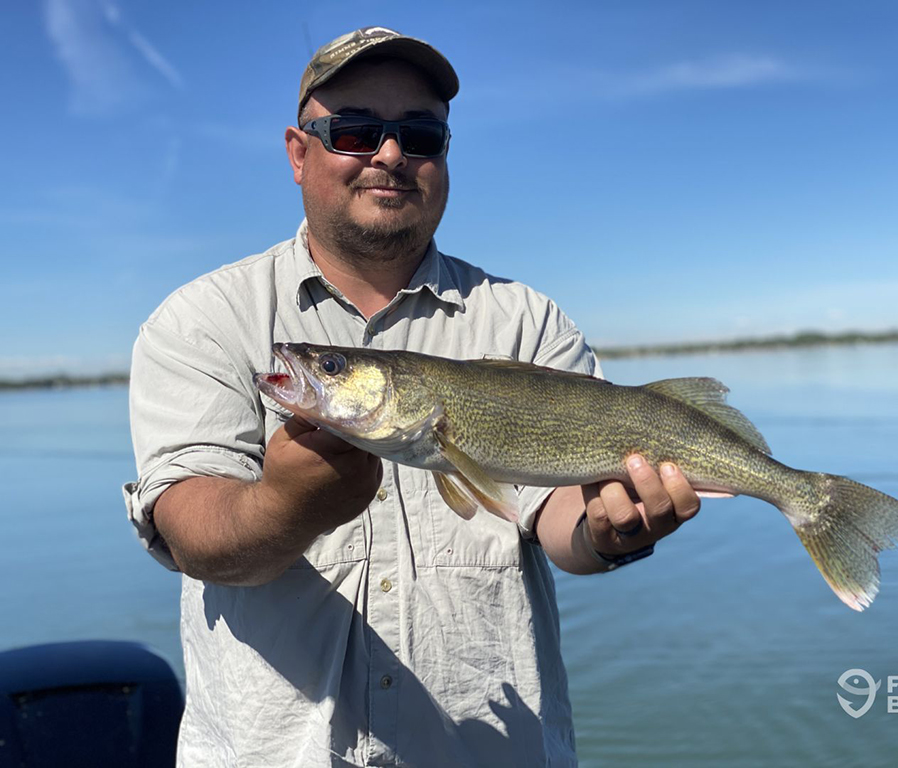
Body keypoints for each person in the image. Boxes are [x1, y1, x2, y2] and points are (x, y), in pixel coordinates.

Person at [123, 26, 700, 767]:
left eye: (419, 134)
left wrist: (608, 531)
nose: (390, 155)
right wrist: (284, 504)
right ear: (299, 153)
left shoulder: (527, 319)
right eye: (355, 132)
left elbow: (556, 515)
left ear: (444, 157)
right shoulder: (206, 319)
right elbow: (191, 529)